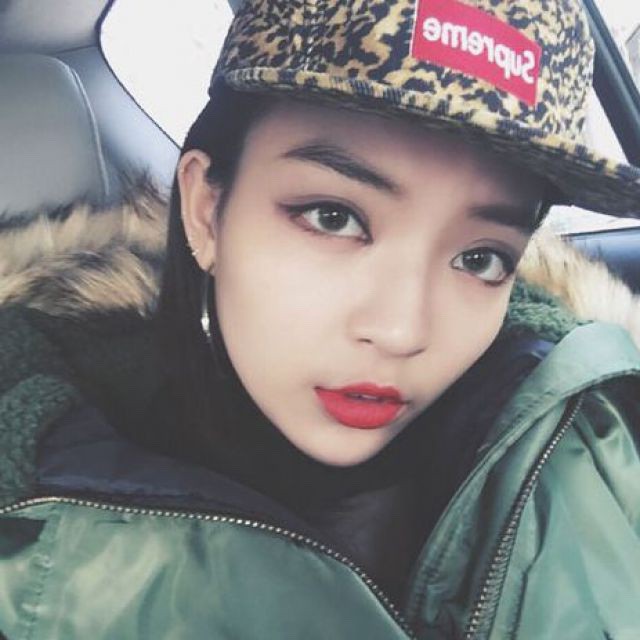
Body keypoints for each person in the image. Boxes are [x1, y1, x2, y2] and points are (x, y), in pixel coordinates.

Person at [1, 0, 639, 637]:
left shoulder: (589, 441)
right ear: (206, 212)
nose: (402, 332)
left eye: (481, 258)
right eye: (333, 218)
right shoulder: (27, 535)